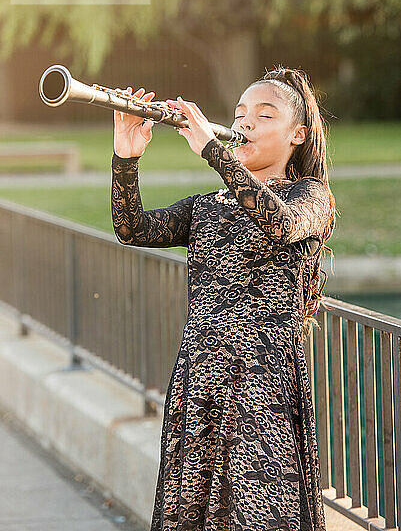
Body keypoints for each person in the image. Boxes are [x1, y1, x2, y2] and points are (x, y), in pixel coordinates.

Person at [110, 66, 336, 531]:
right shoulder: (207, 204)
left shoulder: (310, 196)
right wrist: (126, 157)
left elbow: (280, 224)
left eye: (264, 115)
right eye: (240, 114)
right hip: (199, 383)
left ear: (298, 134)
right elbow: (132, 229)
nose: (246, 122)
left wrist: (216, 153)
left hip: (261, 387)